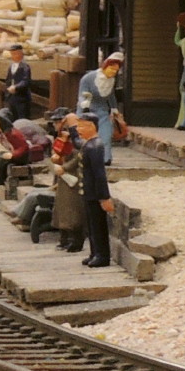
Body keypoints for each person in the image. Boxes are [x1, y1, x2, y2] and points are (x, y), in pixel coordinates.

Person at [72, 110, 115, 267]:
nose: (79, 129)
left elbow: (99, 174)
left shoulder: (95, 146)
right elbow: (76, 142)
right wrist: (70, 127)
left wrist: (104, 197)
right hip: (88, 191)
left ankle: (102, 255)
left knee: (98, 225)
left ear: (91, 126)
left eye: (81, 126)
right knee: (91, 225)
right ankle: (94, 252)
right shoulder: (87, 144)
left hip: (96, 193)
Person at [76, 51, 126, 162]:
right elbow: (82, 94)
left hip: (102, 109)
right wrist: (84, 103)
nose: (113, 72)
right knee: (86, 135)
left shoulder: (111, 80)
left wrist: (114, 109)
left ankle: (105, 157)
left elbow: (111, 95)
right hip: (87, 109)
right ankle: (86, 157)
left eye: (116, 70)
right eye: (111, 69)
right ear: (105, 66)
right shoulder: (88, 78)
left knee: (106, 133)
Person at [47, 110, 85, 251]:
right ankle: (64, 238)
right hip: (63, 177)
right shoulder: (61, 137)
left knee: (72, 210)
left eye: (59, 122)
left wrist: (65, 167)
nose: (56, 125)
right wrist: (56, 159)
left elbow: (78, 157)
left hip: (73, 177)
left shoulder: (77, 140)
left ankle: (74, 239)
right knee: (62, 209)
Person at [0, 110, 51, 187]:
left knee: (1, 159)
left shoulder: (13, 134)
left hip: (22, 157)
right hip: (15, 152)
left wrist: (12, 155)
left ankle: (1, 178)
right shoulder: (5, 134)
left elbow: (24, 147)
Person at [2, 44, 32, 121]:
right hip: (12, 97)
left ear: (20, 54)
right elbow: (8, 80)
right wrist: (7, 91)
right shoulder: (11, 66)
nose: (13, 56)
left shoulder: (25, 66)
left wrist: (16, 87)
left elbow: (26, 81)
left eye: (15, 54)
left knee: (22, 118)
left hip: (22, 97)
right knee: (12, 117)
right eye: (12, 54)